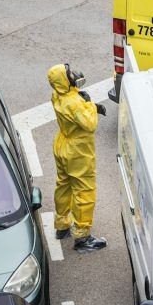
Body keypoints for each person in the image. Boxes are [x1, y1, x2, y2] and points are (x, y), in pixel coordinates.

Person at [47, 63, 107, 252]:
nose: (73, 75)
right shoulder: (74, 102)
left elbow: (70, 103)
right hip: (77, 151)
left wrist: (82, 100)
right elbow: (89, 124)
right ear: (64, 80)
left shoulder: (57, 94)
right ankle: (82, 237)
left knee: (63, 186)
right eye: (68, 74)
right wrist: (90, 105)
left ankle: (62, 225)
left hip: (62, 144)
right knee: (84, 191)